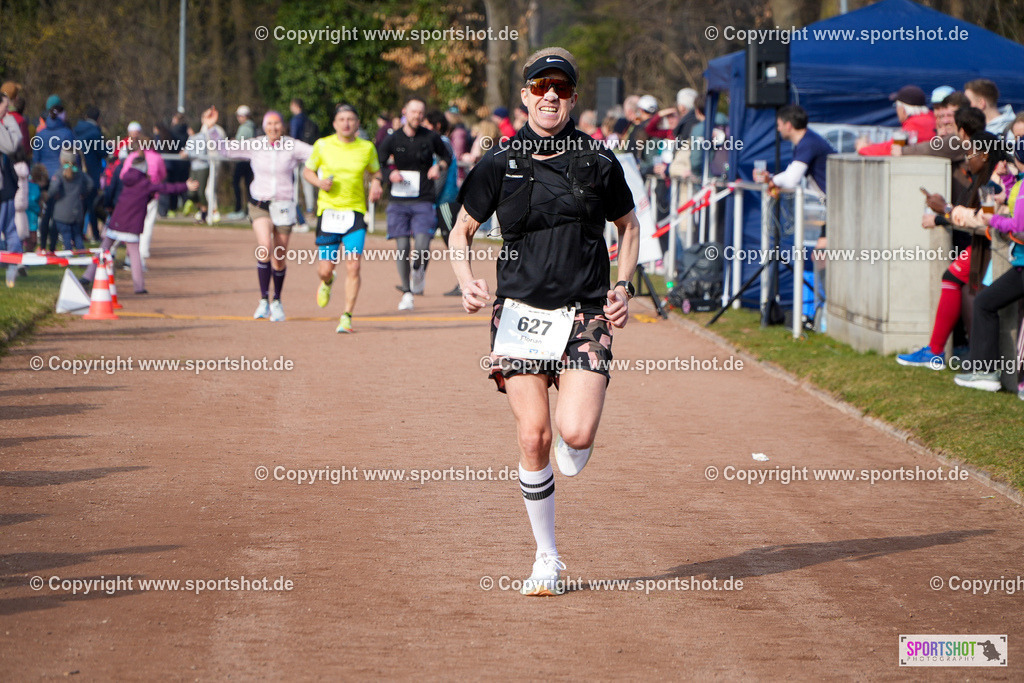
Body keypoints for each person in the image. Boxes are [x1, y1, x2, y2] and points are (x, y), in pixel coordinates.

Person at [449, 47, 640, 596]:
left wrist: (623, 286)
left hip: (585, 312)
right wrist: (466, 280)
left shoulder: (599, 161)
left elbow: (628, 226)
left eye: (561, 87)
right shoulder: (498, 162)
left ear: (573, 98)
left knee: (574, 434)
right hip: (520, 314)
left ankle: (575, 438)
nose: (550, 95)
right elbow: (461, 231)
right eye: (540, 86)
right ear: (526, 96)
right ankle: (547, 557)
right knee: (533, 435)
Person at [205, 106, 314, 322]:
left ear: (283, 126)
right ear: (264, 127)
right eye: (269, 124)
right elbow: (225, 149)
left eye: (277, 123)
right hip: (260, 204)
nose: (273, 127)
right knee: (264, 247)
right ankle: (263, 300)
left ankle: (277, 301)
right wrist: (211, 128)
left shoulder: (292, 146)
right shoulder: (255, 144)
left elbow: (317, 153)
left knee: (279, 257)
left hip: (283, 206)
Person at [950, 144, 1024, 396]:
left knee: (983, 303)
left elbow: (1018, 226)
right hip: (1019, 264)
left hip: (1021, 266)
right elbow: (1013, 201)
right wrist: (1006, 183)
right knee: (985, 301)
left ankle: (986, 372)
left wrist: (993, 220)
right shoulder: (1019, 183)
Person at [304, 104, 383, 333]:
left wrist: (377, 183)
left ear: (357, 124)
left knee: (354, 265)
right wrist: (319, 183)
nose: (346, 123)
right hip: (328, 213)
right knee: (325, 269)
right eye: (342, 119)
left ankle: (346, 316)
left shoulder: (367, 148)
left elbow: (376, 172)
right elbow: (307, 171)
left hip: (355, 213)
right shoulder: (322, 145)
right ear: (335, 123)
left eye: (351, 119)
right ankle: (328, 280)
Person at [82, 155, 197, 294]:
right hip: (132, 224)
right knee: (135, 255)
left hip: (117, 220)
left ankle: (87, 277)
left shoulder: (125, 179)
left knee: (103, 249)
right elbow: (165, 187)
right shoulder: (145, 184)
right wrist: (185, 186)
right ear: (144, 168)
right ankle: (138, 287)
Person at [377, 98, 451, 308]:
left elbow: (447, 157)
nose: (417, 116)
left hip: (423, 198)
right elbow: (378, 162)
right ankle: (407, 292)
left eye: (420, 112)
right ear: (405, 112)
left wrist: (439, 167)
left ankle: (418, 272)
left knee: (422, 246)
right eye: (413, 111)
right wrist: (389, 174)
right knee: (402, 247)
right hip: (398, 200)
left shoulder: (430, 137)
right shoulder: (393, 138)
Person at [47, 149, 93, 252]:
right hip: (76, 210)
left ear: (62, 159)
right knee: (77, 235)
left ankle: (68, 255)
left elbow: (53, 189)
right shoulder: (79, 173)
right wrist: (83, 193)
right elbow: (90, 183)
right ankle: (82, 255)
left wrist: (52, 195)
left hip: (62, 212)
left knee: (66, 236)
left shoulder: (59, 174)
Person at [73, 105, 106, 242]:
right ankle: (95, 234)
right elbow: (102, 152)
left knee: (82, 205)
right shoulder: (95, 133)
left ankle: (78, 233)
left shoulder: (75, 130)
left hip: (77, 171)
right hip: (92, 173)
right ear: (98, 119)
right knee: (92, 204)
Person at [226, 105, 256, 221]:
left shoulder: (244, 128)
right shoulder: (252, 126)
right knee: (248, 186)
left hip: (243, 160)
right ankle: (249, 210)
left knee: (236, 183)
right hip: (249, 160)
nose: (238, 118)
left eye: (239, 116)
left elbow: (238, 144)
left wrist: (231, 142)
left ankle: (239, 209)